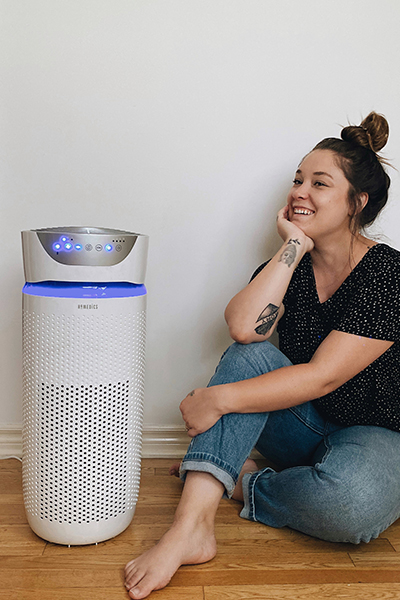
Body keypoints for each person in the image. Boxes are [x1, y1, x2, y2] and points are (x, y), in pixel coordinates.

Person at [124, 112, 400, 599]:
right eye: (297, 180)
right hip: (305, 423)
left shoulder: (389, 274)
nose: (299, 192)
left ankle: (243, 481)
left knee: (353, 506)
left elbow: (322, 377)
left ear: (358, 202)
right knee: (247, 357)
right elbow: (242, 329)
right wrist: (293, 245)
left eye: (319, 183)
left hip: (376, 431)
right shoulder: (288, 263)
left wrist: (219, 401)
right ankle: (190, 529)